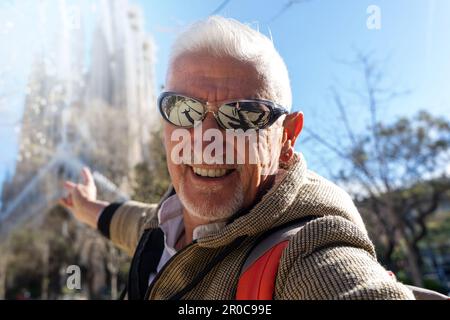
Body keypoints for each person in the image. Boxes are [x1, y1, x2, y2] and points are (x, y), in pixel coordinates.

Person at [60, 16, 414, 300]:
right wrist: (87, 207)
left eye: (243, 115)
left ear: (287, 137)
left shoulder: (307, 250)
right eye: (184, 109)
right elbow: (135, 224)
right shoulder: (166, 223)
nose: (206, 138)